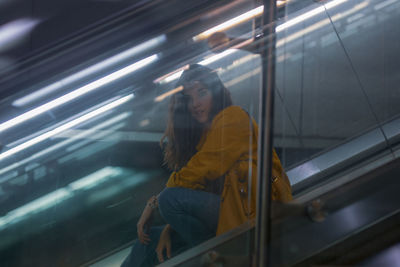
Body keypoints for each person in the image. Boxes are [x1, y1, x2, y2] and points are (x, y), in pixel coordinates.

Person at [121, 64, 292, 267]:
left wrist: (154, 203)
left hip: (255, 212)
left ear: (216, 93)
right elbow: (204, 188)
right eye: (189, 98)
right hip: (231, 210)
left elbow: (201, 170)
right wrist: (169, 228)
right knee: (147, 242)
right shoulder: (205, 138)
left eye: (202, 93)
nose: (195, 104)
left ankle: (218, 261)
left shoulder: (233, 118)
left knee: (170, 200)